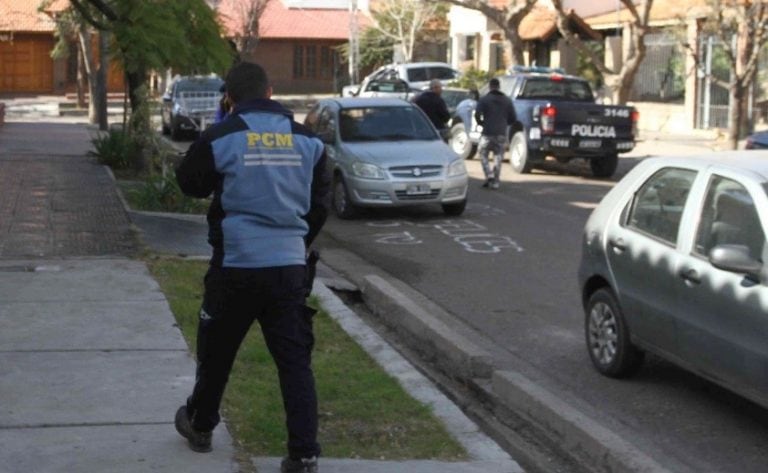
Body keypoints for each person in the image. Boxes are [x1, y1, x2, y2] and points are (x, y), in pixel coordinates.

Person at [174, 61, 330, 473]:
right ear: (271, 92)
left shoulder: (223, 136)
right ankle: (304, 454)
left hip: (236, 265)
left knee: (217, 352)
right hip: (288, 267)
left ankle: (201, 425)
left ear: (229, 97)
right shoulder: (308, 142)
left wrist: (219, 127)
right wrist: (294, 241)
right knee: (294, 363)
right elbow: (319, 207)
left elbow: (189, 182)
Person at [475, 78, 516, 190]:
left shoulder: (484, 100)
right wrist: (504, 123)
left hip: (487, 132)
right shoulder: (507, 100)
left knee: (483, 153)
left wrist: (481, 123)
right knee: (498, 157)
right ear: (499, 86)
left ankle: (489, 174)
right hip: (501, 133)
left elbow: (477, 114)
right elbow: (513, 118)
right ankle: (495, 181)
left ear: (490, 86)